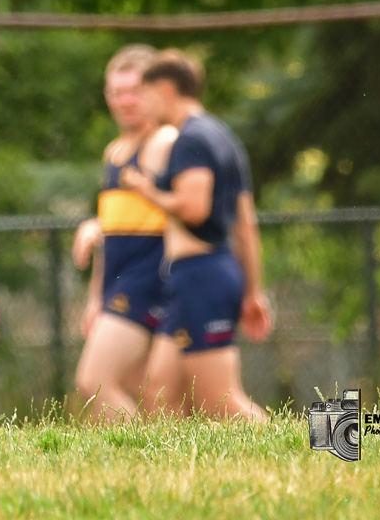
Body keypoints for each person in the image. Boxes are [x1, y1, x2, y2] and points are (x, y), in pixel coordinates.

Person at [120, 50, 273, 421]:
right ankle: (185, 475)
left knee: (221, 401)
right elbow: (246, 223)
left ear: (167, 89)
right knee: (159, 392)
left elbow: (194, 208)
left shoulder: (191, 139)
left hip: (201, 274)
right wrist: (253, 290)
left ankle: (319, 448)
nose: (142, 102)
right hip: (203, 274)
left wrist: (147, 191)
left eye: (146, 91)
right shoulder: (223, 136)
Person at [70, 44, 171, 421]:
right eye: (116, 92)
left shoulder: (164, 143)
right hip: (120, 286)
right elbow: (110, 238)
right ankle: (170, 467)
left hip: (151, 284)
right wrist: (95, 298)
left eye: (134, 90)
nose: (125, 100)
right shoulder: (114, 152)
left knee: (93, 381)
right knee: (158, 397)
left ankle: (141, 460)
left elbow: (189, 209)